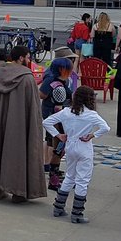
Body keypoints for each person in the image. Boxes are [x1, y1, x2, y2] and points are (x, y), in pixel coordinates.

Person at [0, 45, 47, 203]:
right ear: (21, 58)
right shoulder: (27, 78)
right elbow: (33, 109)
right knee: (18, 153)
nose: (29, 60)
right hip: (19, 125)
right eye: (28, 57)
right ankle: (18, 192)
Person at [43, 86, 109, 224]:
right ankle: (77, 213)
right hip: (84, 147)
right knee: (82, 180)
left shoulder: (66, 112)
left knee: (69, 176)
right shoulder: (91, 114)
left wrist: (58, 135)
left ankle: (58, 207)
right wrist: (93, 135)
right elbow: (105, 127)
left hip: (70, 146)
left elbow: (46, 122)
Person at [39, 51, 75, 191]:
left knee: (59, 149)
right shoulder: (53, 81)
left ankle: (54, 175)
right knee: (57, 148)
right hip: (55, 119)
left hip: (60, 119)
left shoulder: (61, 81)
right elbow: (42, 94)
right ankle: (53, 179)